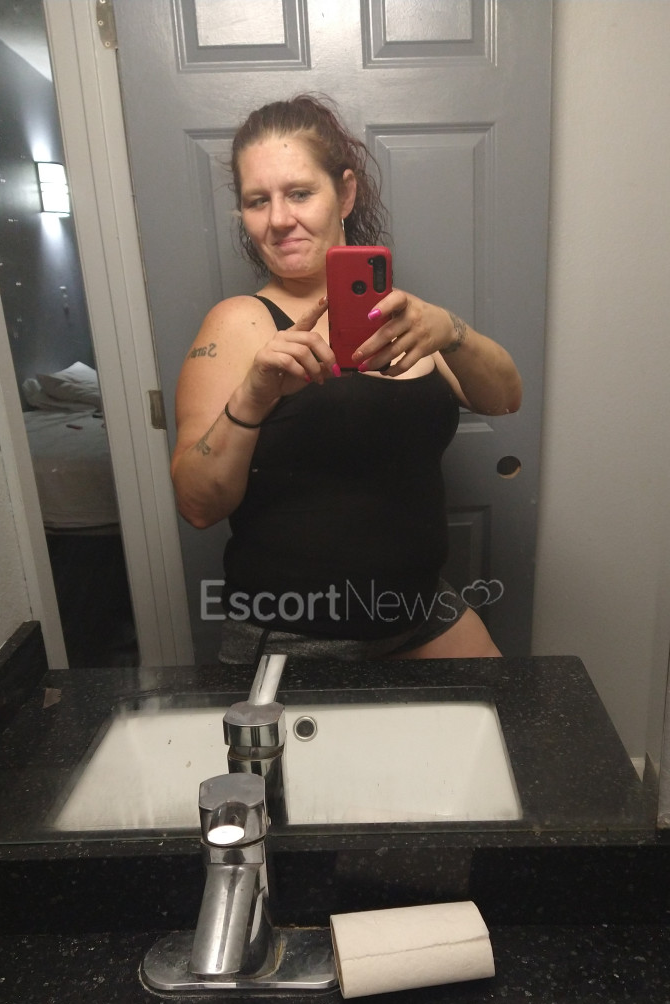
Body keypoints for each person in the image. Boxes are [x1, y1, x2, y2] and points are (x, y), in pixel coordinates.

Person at [171, 95, 522, 664]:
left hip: (422, 612)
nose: (278, 219)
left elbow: (505, 399)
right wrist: (254, 395)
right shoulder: (238, 324)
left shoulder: (402, 316)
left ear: (346, 194)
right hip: (295, 635)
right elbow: (197, 504)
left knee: (503, 718)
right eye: (258, 201)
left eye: (299, 193)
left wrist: (451, 330)